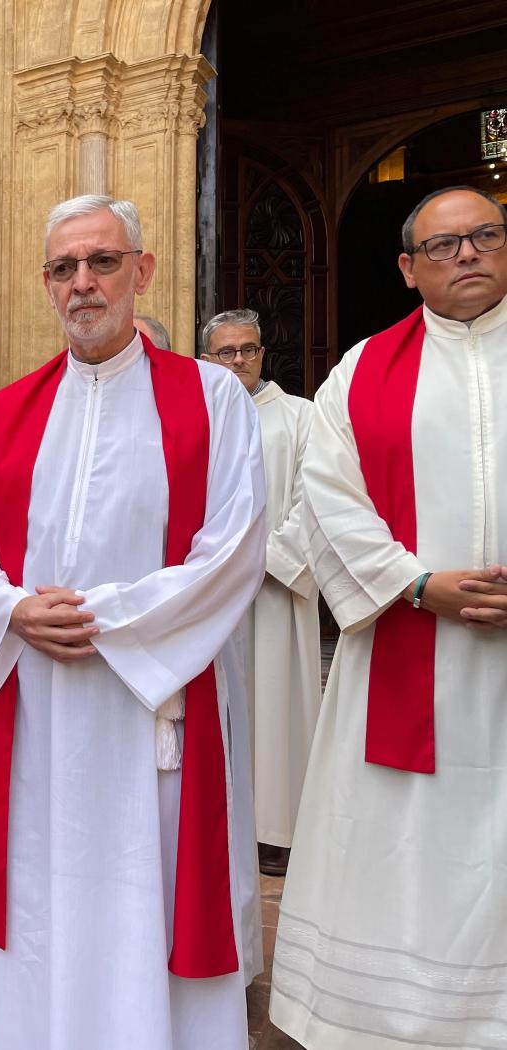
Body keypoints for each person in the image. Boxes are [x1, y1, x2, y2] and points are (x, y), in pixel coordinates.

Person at [0, 195, 266, 1049]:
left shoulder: (212, 400)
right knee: (43, 886)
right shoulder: (0, 415)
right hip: (39, 707)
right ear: (47, 286)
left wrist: (101, 620)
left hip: (152, 703)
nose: (82, 283)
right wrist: (15, 608)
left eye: (102, 262)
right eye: (63, 268)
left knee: (144, 885)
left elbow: (233, 548)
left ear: (143, 270)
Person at [269, 186, 507, 1049]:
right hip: (413, 649)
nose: (469, 255)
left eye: (485, 235)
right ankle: (397, 1020)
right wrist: (415, 584)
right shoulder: (363, 372)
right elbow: (329, 498)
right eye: (444, 247)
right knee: (409, 848)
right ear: (409, 270)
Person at [199, 307, 318, 877]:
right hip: (207, 591)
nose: (240, 360)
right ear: (208, 358)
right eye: (227, 352)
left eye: (249, 350)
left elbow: (316, 499)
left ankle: (276, 828)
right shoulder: (196, 417)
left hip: (272, 590)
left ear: (263, 355)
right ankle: (214, 818)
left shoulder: (300, 417)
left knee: (274, 704)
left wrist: (261, 560)